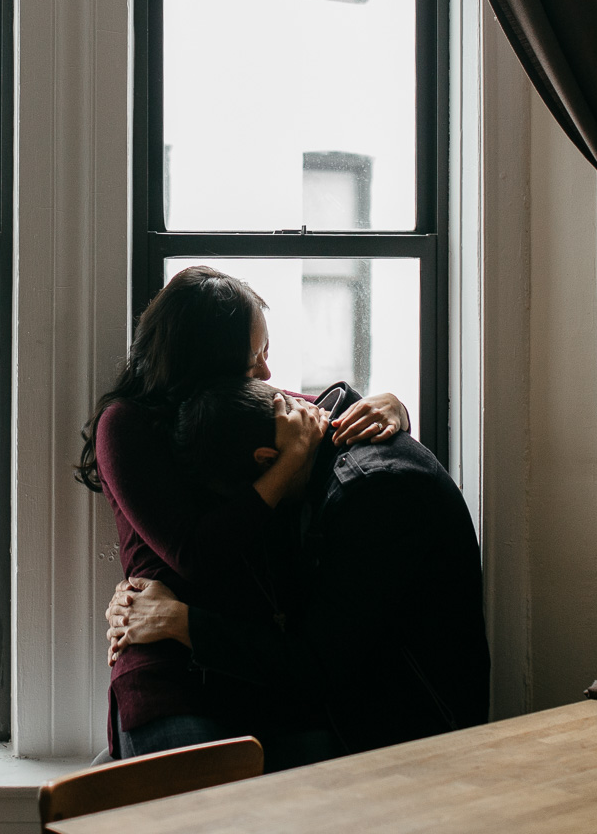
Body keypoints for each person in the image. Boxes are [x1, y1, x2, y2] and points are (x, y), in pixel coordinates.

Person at [76, 265, 409, 768]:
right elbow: (195, 553)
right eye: (255, 357)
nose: (267, 374)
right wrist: (287, 468)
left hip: (260, 662)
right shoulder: (126, 426)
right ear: (210, 359)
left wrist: (391, 406)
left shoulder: (244, 407)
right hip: (170, 667)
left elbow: (329, 410)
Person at [108, 376, 490, 755]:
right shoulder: (311, 435)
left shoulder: (375, 494)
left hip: (412, 731)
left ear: (267, 461)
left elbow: (316, 665)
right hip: (356, 703)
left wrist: (180, 622)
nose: (263, 372)